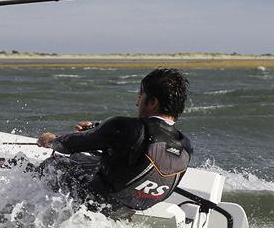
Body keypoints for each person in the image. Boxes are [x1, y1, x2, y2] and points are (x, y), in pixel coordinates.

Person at [36, 68, 193, 220]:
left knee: (55, 164)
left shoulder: (127, 127)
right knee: (88, 161)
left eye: (141, 95)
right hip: (125, 210)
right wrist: (96, 129)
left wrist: (50, 140)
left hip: (92, 203)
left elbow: (69, 145)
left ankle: (23, 213)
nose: (137, 102)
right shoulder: (185, 146)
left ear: (153, 102)